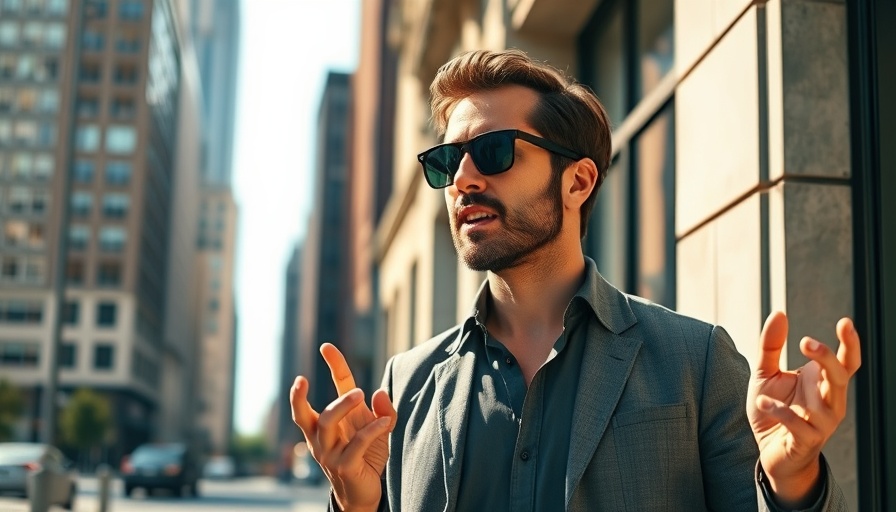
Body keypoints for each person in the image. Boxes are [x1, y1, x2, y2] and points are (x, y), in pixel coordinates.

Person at [290, 49, 861, 511]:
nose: (462, 179)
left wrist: (793, 483)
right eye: (447, 161)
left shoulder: (695, 361)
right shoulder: (407, 384)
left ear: (579, 182)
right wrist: (355, 505)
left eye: (491, 151)